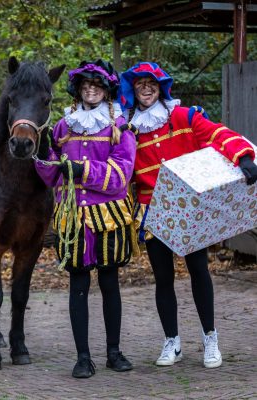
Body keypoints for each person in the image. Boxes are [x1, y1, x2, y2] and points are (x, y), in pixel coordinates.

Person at [120, 61, 257, 369]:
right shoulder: (128, 127)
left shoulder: (181, 116)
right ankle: (172, 342)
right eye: (140, 84)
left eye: (151, 84)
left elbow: (217, 133)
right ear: (133, 89)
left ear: (160, 88)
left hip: (189, 210)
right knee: (163, 279)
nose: (146, 88)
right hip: (152, 212)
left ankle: (210, 338)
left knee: (199, 272)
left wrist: (243, 156)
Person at [35, 60, 137, 378]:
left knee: (109, 284)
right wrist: (46, 153)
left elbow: (122, 172)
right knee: (77, 286)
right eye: (85, 85)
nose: (90, 89)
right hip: (74, 219)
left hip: (108, 217)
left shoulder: (120, 125)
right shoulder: (64, 128)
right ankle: (82, 358)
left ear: (106, 91)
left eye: (97, 85)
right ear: (78, 90)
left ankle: (114, 352)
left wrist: (84, 171)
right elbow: (51, 176)